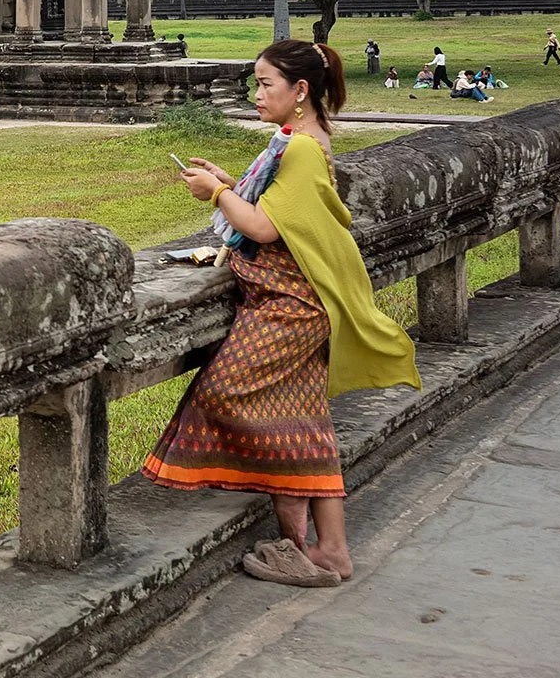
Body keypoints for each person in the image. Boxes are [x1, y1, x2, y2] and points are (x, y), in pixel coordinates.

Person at [153, 40, 420, 586]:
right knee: (307, 423)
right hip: (300, 301)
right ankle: (327, 552)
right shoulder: (303, 140)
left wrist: (216, 193)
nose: (255, 95)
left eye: (264, 84)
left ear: (299, 91)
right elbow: (280, 209)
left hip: (289, 306)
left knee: (223, 393)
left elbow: (264, 228)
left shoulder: (298, 148)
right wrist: (230, 184)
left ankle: (301, 536)